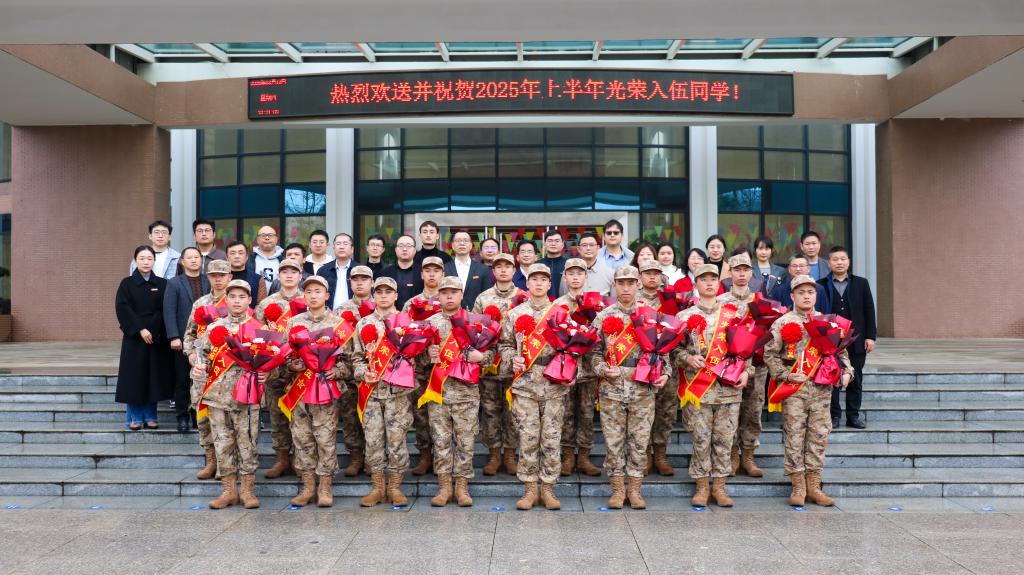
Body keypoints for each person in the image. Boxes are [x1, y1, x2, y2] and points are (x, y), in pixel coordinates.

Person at [764, 275, 853, 507]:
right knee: (794, 436)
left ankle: (814, 485)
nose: (806, 296)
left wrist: (847, 372)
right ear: (792, 296)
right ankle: (798, 486)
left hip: (822, 391)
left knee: (819, 436)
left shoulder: (828, 322)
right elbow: (769, 354)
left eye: (810, 292)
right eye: (801, 292)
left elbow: (841, 352)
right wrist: (785, 375)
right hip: (794, 390)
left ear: (816, 295)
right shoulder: (782, 323)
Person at [589, 265, 671, 510]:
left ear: (638, 284)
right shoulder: (603, 316)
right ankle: (617, 490)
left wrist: (665, 373)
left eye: (630, 283)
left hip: (642, 386)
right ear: (614, 285)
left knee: (639, 441)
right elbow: (592, 351)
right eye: (621, 283)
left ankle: (635, 490)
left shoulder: (651, 315)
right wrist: (602, 369)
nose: (625, 288)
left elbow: (663, 350)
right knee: (613, 441)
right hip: (612, 387)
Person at [673, 263, 751, 507]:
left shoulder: (733, 314)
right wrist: (687, 358)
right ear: (695, 283)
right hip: (698, 390)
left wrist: (746, 372)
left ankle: (720, 487)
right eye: (703, 279)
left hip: (727, 389)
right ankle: (701, 487)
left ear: (719, 283)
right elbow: (672, 350)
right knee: (700, 439)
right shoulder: (683, 317)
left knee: (725, 440)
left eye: (713, 279)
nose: (708, 283)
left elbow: (745, 349)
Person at [418, 276, 492, 507]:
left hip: (466, 394)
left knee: (465, 441)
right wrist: (426, 356)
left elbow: (492, 353)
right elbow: (415, 360)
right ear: (438, 296)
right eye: (444, 292)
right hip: (438, 392)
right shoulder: (428, 323)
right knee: (440, 441)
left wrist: (482, 357)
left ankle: (462, 487)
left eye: (453, 292)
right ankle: (444, 487)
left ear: (461, 295)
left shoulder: (474, 322)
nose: (449, 296)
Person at [193, 279, 266, 509]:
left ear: (250, 300)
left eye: (242, 297)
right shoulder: (214, 328)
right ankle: (228, 491)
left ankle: (247, 491)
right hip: (217, 396)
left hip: (247, 397)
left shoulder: (259, 328)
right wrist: (198, 368)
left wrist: (268, 374)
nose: (237, 301)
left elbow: (271, 360)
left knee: (247, 443)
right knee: (222, 443)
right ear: (226, 299)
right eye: (232, 296)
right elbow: (202, 356)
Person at [500, 263, 567, 510]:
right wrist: (511, 358)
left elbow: (573, 348)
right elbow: (504, 345)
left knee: (551, 438)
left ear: (549, 284)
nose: (538, 283)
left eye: (543, 280)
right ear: (527, 284)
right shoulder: (515, 314)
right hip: (525, 385)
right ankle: (529, 489)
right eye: (534, 279)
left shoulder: (560, 313)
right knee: (528, 438)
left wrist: (568, 370)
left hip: (553, 384)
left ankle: (548, 489)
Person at [282, 275, 345, 508]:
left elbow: (350, 360)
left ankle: (325, 486)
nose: (313, 295)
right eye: (308, 291)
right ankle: (308, 486)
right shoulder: (293, 323)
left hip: (325, 390)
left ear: (327, 295)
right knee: (302, 438)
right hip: (299, 390)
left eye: (318, 291)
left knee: (325, 438)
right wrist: (292, 365)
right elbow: (282, 356)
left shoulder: (338, 324)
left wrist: (337, 371)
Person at [352, 277, 413, 507]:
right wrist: (363, 372)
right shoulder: (363, 323)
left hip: (397, 393)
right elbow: (356, 358)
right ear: (374, 295)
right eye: (379, 292)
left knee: (397, 439)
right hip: (372, 392)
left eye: (389, 291)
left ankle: (395, 487)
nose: (384, 295)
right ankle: (377, 487)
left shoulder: (407, 321)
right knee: (373, 440)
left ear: (396, 295)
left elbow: (416, 356)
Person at [471, 253, 523, 476]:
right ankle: (493, 455)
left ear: (514, 270)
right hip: (489, 365)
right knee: (490, 411)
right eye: (498, 266)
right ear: (493, 272)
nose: (503, 270)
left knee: (513, 412)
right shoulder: (483, 298)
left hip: (514, 366)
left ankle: (510, 455)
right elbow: (473, 330)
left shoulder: (524, 297)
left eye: (507, 266)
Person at [253, 258, 305, 479]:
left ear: (300, 275)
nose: (289, 275)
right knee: (277, 416)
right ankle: (282, 459)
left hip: (301, 369)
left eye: (293, 271)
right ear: (279, 276)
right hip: (274, 370)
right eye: (284, 271)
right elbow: (255, 333)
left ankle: (300, 460)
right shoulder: (266, 304)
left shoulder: (308, 299)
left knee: (301, 417)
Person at [181, 259, 232, 481]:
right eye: (213, 275)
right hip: (203, 370)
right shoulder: (201, 303)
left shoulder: (235, 301)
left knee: (226, 422)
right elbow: (190, 333)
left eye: (222, 274)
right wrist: (190, 353)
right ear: (208, 277)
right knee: (203, 418)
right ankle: (210, 461)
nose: (218, 279)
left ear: (230, 276)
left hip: (227, 371)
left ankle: (225, 464)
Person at [717, 252, 766, 478]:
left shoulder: (760, 302)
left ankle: (748, 455)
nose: (741, 274)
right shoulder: (720, 302)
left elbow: (768, 333)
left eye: (746, 270)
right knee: (730, 411)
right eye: (737, 270)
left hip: (756, 365)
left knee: (753, 410)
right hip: (729, 365)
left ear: (751, 273)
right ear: (730, 273)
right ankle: (732, 455)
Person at [116, 246, 174, 430]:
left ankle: (150, 416)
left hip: (156, 338)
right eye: (142, 258)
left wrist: (153, 329)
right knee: (134, 377)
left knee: (153, 377)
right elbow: (123, 308)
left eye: (149, 258)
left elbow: (165, 309)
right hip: (134, 338)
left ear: (154, 261)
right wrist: (140, 329)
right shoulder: (127, 284)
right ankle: (135, 417)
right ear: (135, 260)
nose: (146, 262)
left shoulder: (163, 284)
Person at [819, 246, 877, 430]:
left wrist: (870, 336)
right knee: (832, 377)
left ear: (849, 262)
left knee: (856, 378)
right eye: (835, 259)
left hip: (857, 339)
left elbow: (869, 310)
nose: (839, 262)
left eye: (843, 259)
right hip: (832, 340)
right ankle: (834, 415)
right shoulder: (821, 285)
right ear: (829, 263)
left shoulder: (861, 283)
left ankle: (853, 416)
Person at [555, 258, 601, 477]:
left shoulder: (596, 304)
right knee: (565, 413)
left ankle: (584, 456)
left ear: (586, 276)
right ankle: (567, 456)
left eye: (579, 273)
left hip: (589, 368)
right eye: (571, 273)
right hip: (565, 370)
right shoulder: (557, 305)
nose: (575, 277)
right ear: (565, 277)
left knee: (586, 413)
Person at [402, 256, 445, 475]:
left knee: (441, 414)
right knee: (420, 413)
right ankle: (425, 455)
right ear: (421, 274)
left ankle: (442, 457)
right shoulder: (411, 304)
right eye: (427, 270)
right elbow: (402, 334)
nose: (431, 274)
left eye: (436, 270)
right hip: (418, 367)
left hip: (442, 368)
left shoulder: (449, 299)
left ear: (442, 274)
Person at [636, 261, 677, 476]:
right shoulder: (633, 300)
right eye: (648, 273)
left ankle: (661, 455)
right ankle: (644, 455)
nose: (652, 277)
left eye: (656, 273)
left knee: (665, 411)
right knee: (642, 411)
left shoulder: (669, 300)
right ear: (640, 276)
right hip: (641, 364)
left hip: (667, 363)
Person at [333, 265, 375, 476]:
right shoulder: (341, 310)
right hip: (348, 371)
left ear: (372, 282)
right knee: (350, 417)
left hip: (372, 372)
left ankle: (372, 457)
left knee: (372, 418)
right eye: (355, 279)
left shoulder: (379, 306)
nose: (359, 283)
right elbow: (333, 342)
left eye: (364, 279)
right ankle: (355, 457)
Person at [163, 247, 210, 433]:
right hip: (183, 340)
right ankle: (182, 416)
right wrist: (174, 336)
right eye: (189, 257)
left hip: (207, 340)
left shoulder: (208, 281)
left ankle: (198, 416)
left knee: (201, 379)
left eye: (196, 257)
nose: (193, 260)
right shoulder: (174, 283)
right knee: (182, 380)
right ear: (182, 262)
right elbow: (169, 311)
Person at [444, 230, 494, 310]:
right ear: (452, 245)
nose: (462, 243)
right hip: (450, 313)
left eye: (465, 240)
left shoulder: (483, 269)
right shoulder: (444, 268)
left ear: (471, 245)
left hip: (477, 315)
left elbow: (487, 296)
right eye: (458, 240)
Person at [317, 232, 361, 311]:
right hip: (328, 315)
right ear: (333, 248)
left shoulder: (360, 270)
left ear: (352, 249)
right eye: (338, 244)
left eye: (345, 244)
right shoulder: (323, 271)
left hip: (355, 314)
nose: (341, 247)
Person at [380, 234, 422, 310]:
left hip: (417, 315)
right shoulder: (385, 273)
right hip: (391, 315)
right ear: (396, 250)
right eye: (401, 246)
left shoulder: (422, 272)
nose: (404, 249)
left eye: (408, 246)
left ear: (414, 250)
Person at [226, 240, 265, 307]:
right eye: (233, 253)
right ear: (226, 257)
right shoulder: (220, 278)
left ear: (246, 257)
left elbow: (262, 305)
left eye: (240, 253)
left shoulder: (258, 279)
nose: (237, 256)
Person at [538, 229, 568, 299]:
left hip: (565, 303)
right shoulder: (537, 265)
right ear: (544, 244)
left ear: (562, 244)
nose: (553, 244)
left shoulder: (568, 265)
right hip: (541, 304)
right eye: (550, 241)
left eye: (557, 241)